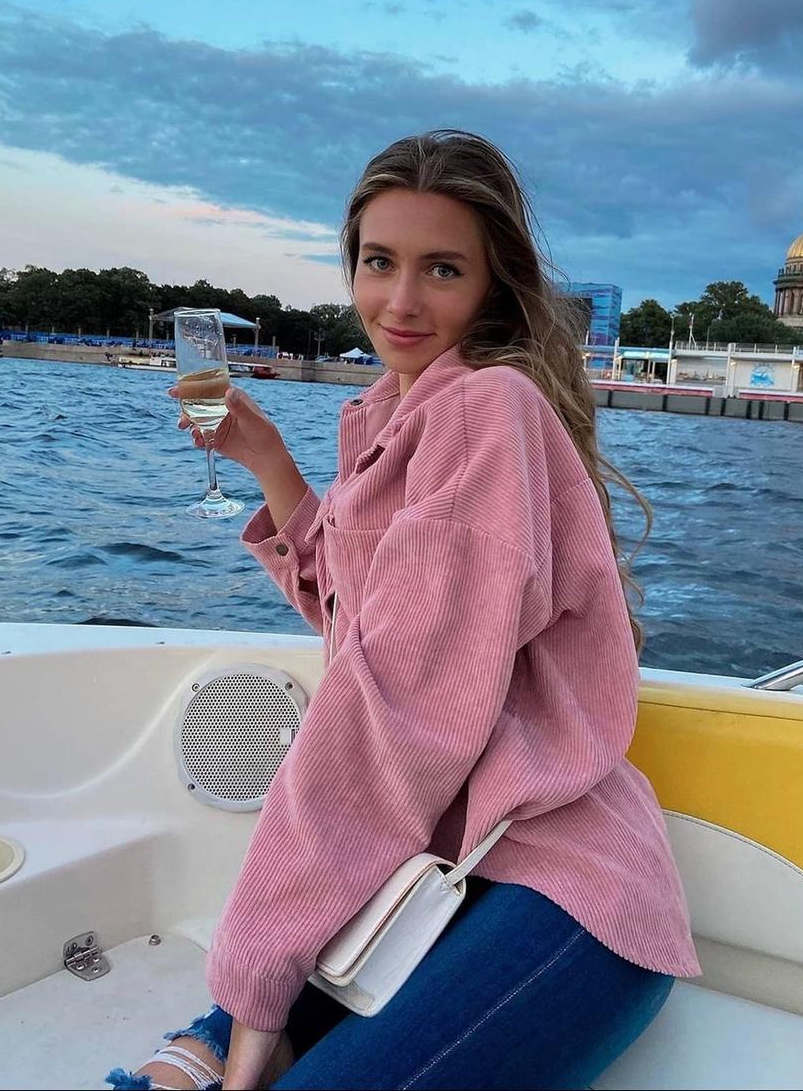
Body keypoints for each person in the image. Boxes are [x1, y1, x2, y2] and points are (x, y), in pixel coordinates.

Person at [105, 130, 700, 1091]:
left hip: (557, 889)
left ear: (493, 285)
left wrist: (256, 965)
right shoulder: (394, 413)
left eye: (442, 269)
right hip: (423, 879)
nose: (401, 301)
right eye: (379, 262)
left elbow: (398, 706)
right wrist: (270, 463)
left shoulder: (484, 410)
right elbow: (364, 626)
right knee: (178, 1074)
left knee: (220, 1055)